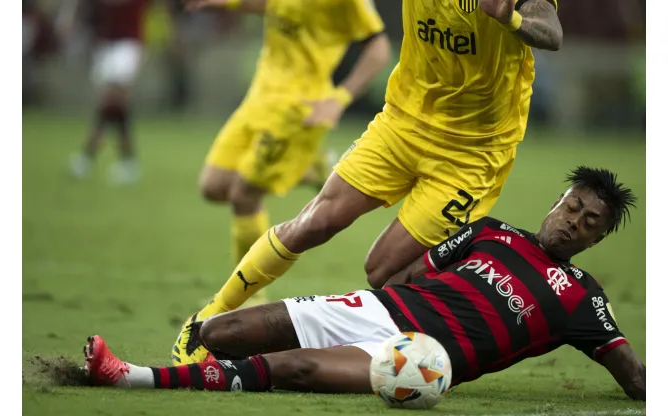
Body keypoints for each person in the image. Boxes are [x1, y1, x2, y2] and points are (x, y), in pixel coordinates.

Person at [173, 0, 565, 364]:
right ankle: (207, 321)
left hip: (472, 153)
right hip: (402, 125)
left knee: (383, 271)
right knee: (315, 222)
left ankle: (446, 328)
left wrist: (510, 18)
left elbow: (550, 30)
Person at [83, 166, 645, 401]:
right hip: (382, 307)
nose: (573, 221)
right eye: (572, 207)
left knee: (295, 368)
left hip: (421, 359)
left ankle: (130, 377)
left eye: (588, 222)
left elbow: (634, 379)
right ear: (555, 202)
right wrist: (375, 301)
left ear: (595, 240)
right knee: (223, 330)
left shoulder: (583, 299)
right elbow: (412, 273)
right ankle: (216, 361)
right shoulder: (490, 232)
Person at [178, 0, 391, 334]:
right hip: (259, 98)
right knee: (212, 186)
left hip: (299, 110)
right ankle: (308, 167)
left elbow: (379, 48)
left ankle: (251, 296)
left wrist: (339, 98)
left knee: (243, 195)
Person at [58, 0, 150, 184]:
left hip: (128, 45)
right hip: (105, 47)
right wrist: (69, 20)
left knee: (111, 100)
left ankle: (87, 156)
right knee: (114, 106)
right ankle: (127, 161)